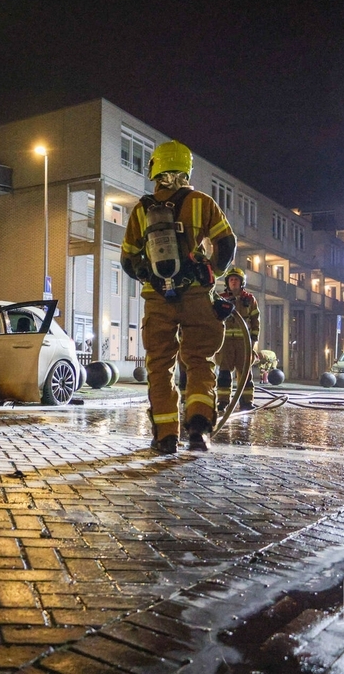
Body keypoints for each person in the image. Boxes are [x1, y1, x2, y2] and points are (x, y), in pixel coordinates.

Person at [121, 140, 237, 454]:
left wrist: (152, 278)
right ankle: (198, 430)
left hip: (157, 301)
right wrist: (209, 273)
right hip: (198, 297)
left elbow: (128, 260)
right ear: (185, 169)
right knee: (199, 361)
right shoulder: (202, 201)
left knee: (160, 366)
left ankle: (166, 436)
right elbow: (226, 245)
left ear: (155, 169)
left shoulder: (142, 209)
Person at [215, 267, 260, 411]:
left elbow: (255, 320)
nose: (233, 282)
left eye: (236, 280)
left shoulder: (249, 299)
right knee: (224, 373)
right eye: (231, 280)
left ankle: (247, 402)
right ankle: (222, 401)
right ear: (227, 283)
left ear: (242, 282)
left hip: (244, 343)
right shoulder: (220, 299)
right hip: (225, 343)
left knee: (245, 373)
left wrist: (253, 340)